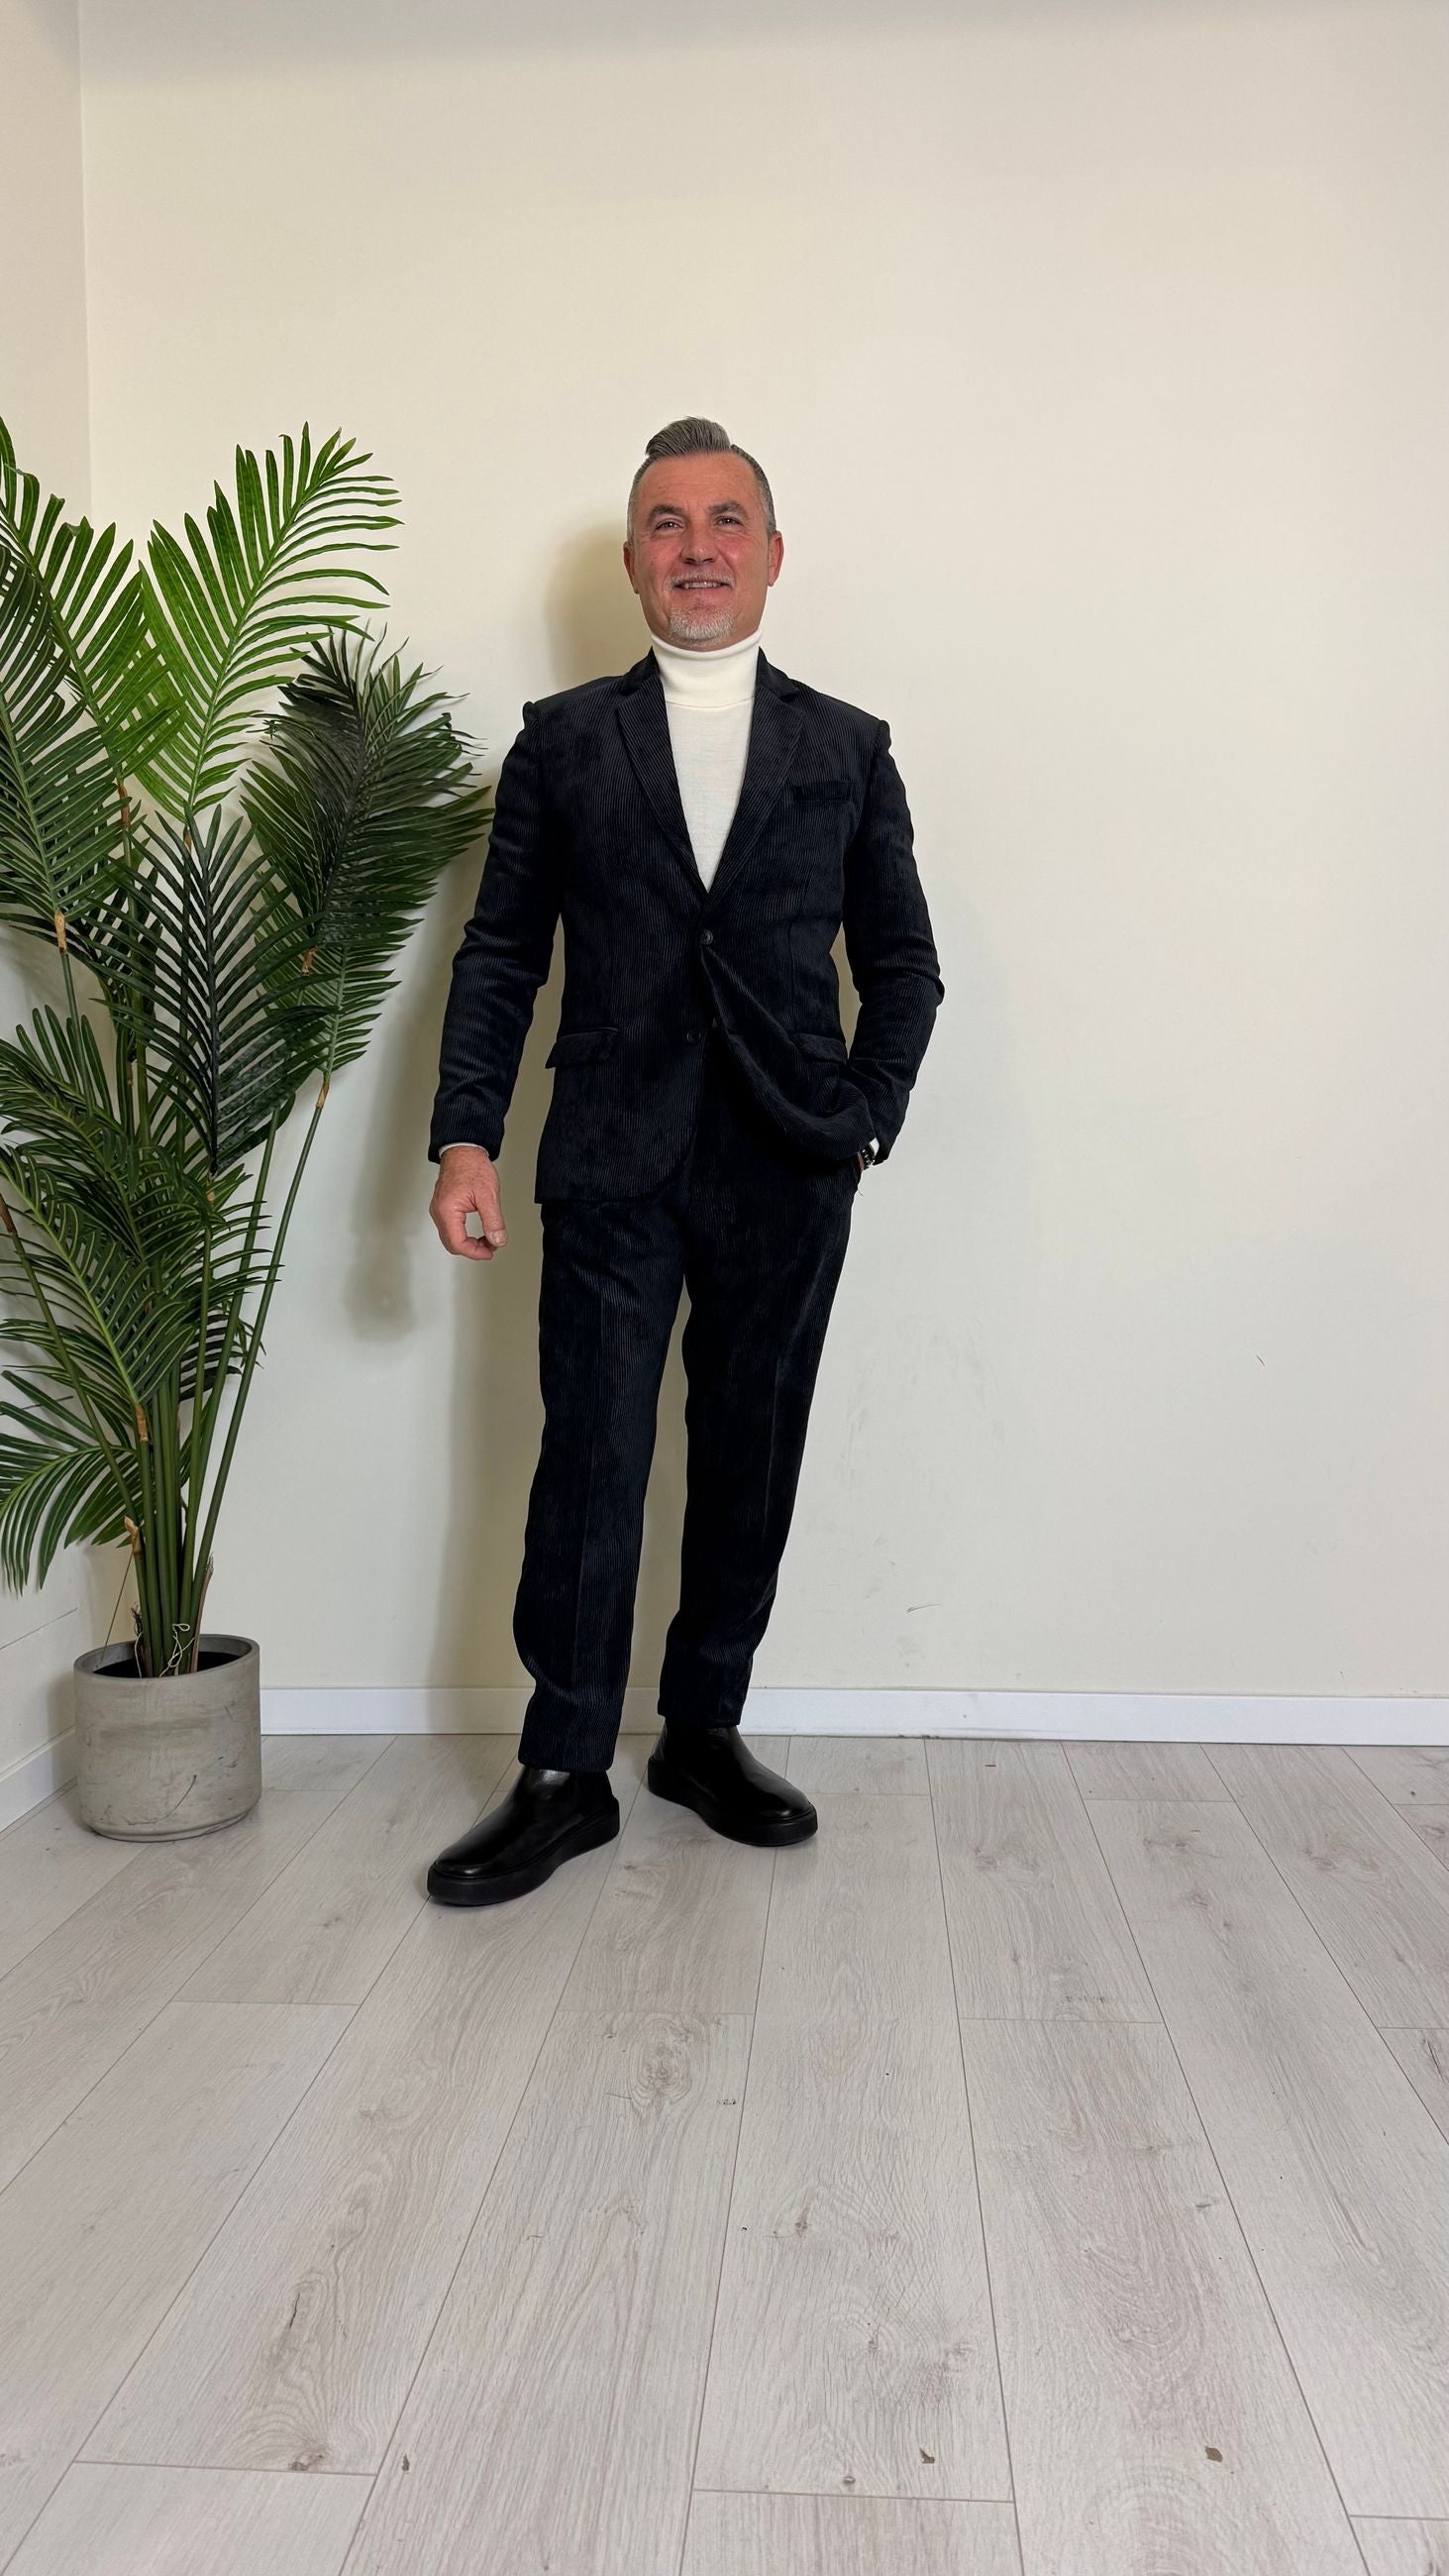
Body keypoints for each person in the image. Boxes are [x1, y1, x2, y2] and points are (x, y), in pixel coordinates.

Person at [423, 416, 944, 1906]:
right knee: (591, 1454)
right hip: (610, 1150)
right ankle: (564, 1768)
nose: (697, 547)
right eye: (667, 523)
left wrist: (866, 1113)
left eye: (725, 522)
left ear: (772, 556)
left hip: (789, 1160)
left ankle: (704, 1731)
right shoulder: (562, 742)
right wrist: (465, 1134)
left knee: (749, 1448)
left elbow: (903, 962)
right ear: (633, 560)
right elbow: (501, 952)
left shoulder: (847, 748)